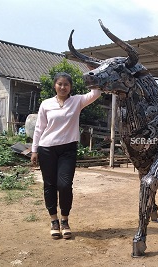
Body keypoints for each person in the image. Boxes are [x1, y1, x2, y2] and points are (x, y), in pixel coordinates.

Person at [31, 72, 101, 239]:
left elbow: (96, 93)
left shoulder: (77, 101)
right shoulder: (46, 104)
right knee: (49, 185)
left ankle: (64, 220)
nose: (63, 87)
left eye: (66, 84)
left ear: (71, 87)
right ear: (55, 85)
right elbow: (39, 128)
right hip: (47, 149)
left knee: (64, 184)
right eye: (60, 84)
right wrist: (34, 150)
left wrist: (93, 72)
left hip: (68, 150)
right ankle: (54, 220)